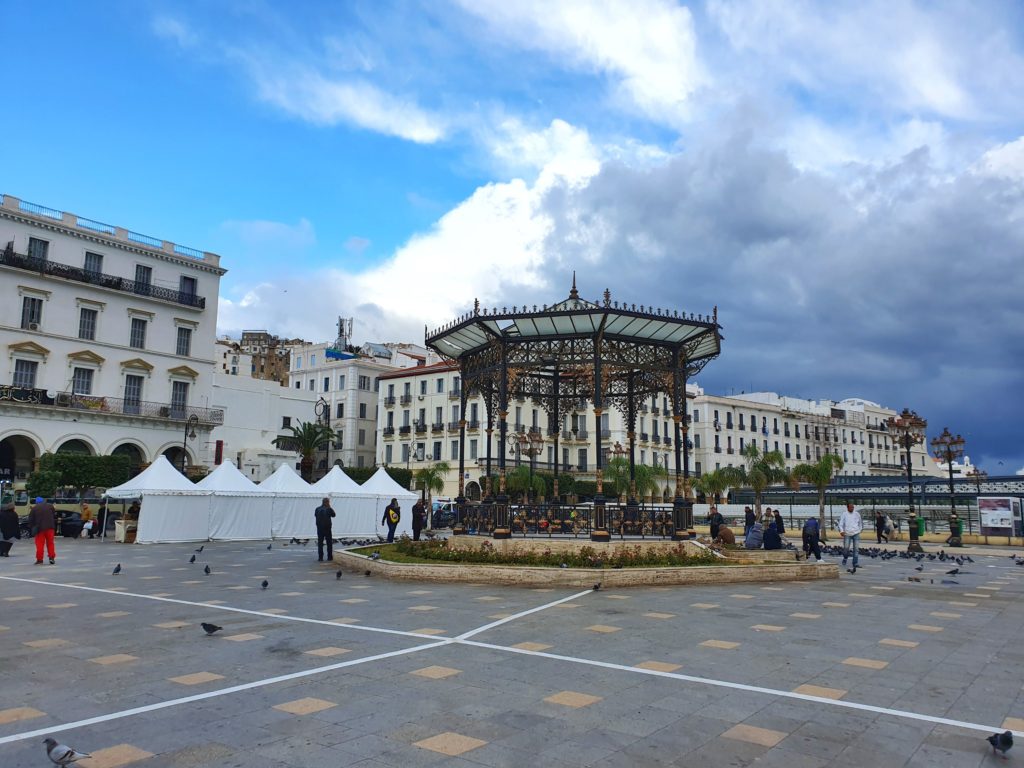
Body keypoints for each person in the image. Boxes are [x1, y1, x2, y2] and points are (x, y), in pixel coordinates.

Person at [28, 497, 57, 565]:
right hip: (50, 528)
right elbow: (53, 513)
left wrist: (32, 527)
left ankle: (40, 560)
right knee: (50, 543)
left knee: (40, 545)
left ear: (36, 502)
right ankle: (51, 557)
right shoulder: (50, 506)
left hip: (40, 529)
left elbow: (31, 520)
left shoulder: (34, 508)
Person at [838, 502, 863, 574]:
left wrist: (859, 529)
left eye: (853, 507)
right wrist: (842, 531)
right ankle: (845, 557)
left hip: (856, 533)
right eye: (850, 507)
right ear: (847, 507)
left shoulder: (857, 514)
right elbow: (841, 523)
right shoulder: (844, 514)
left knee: (856, 549)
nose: (852, 508)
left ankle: (855, 563)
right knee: (846, 548)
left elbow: (860, 523)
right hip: (847, 533)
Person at [314, 497, 336, 562]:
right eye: (328, 502)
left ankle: (320, 557)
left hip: (319, 528)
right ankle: (329, 557)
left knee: (320, 543)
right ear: (327, 502)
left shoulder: (317, 509)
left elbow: (315, 516)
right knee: (329, 543)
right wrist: (330, 507)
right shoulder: (329, 509)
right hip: (327, 528)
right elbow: (334, 515)